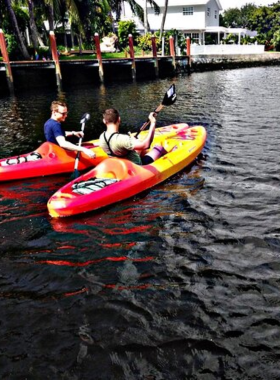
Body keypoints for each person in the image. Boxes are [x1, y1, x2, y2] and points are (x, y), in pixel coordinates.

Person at [99, 108, 166, 165]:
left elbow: (121, 148)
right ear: (119, 119)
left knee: (138, 146)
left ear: (104, 121)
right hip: (136, 167)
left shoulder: (102, 137)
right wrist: (153, 123)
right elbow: (146, 145)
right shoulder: (123, 139)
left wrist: (132, 140)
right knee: (159, 148)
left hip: (120, 165)